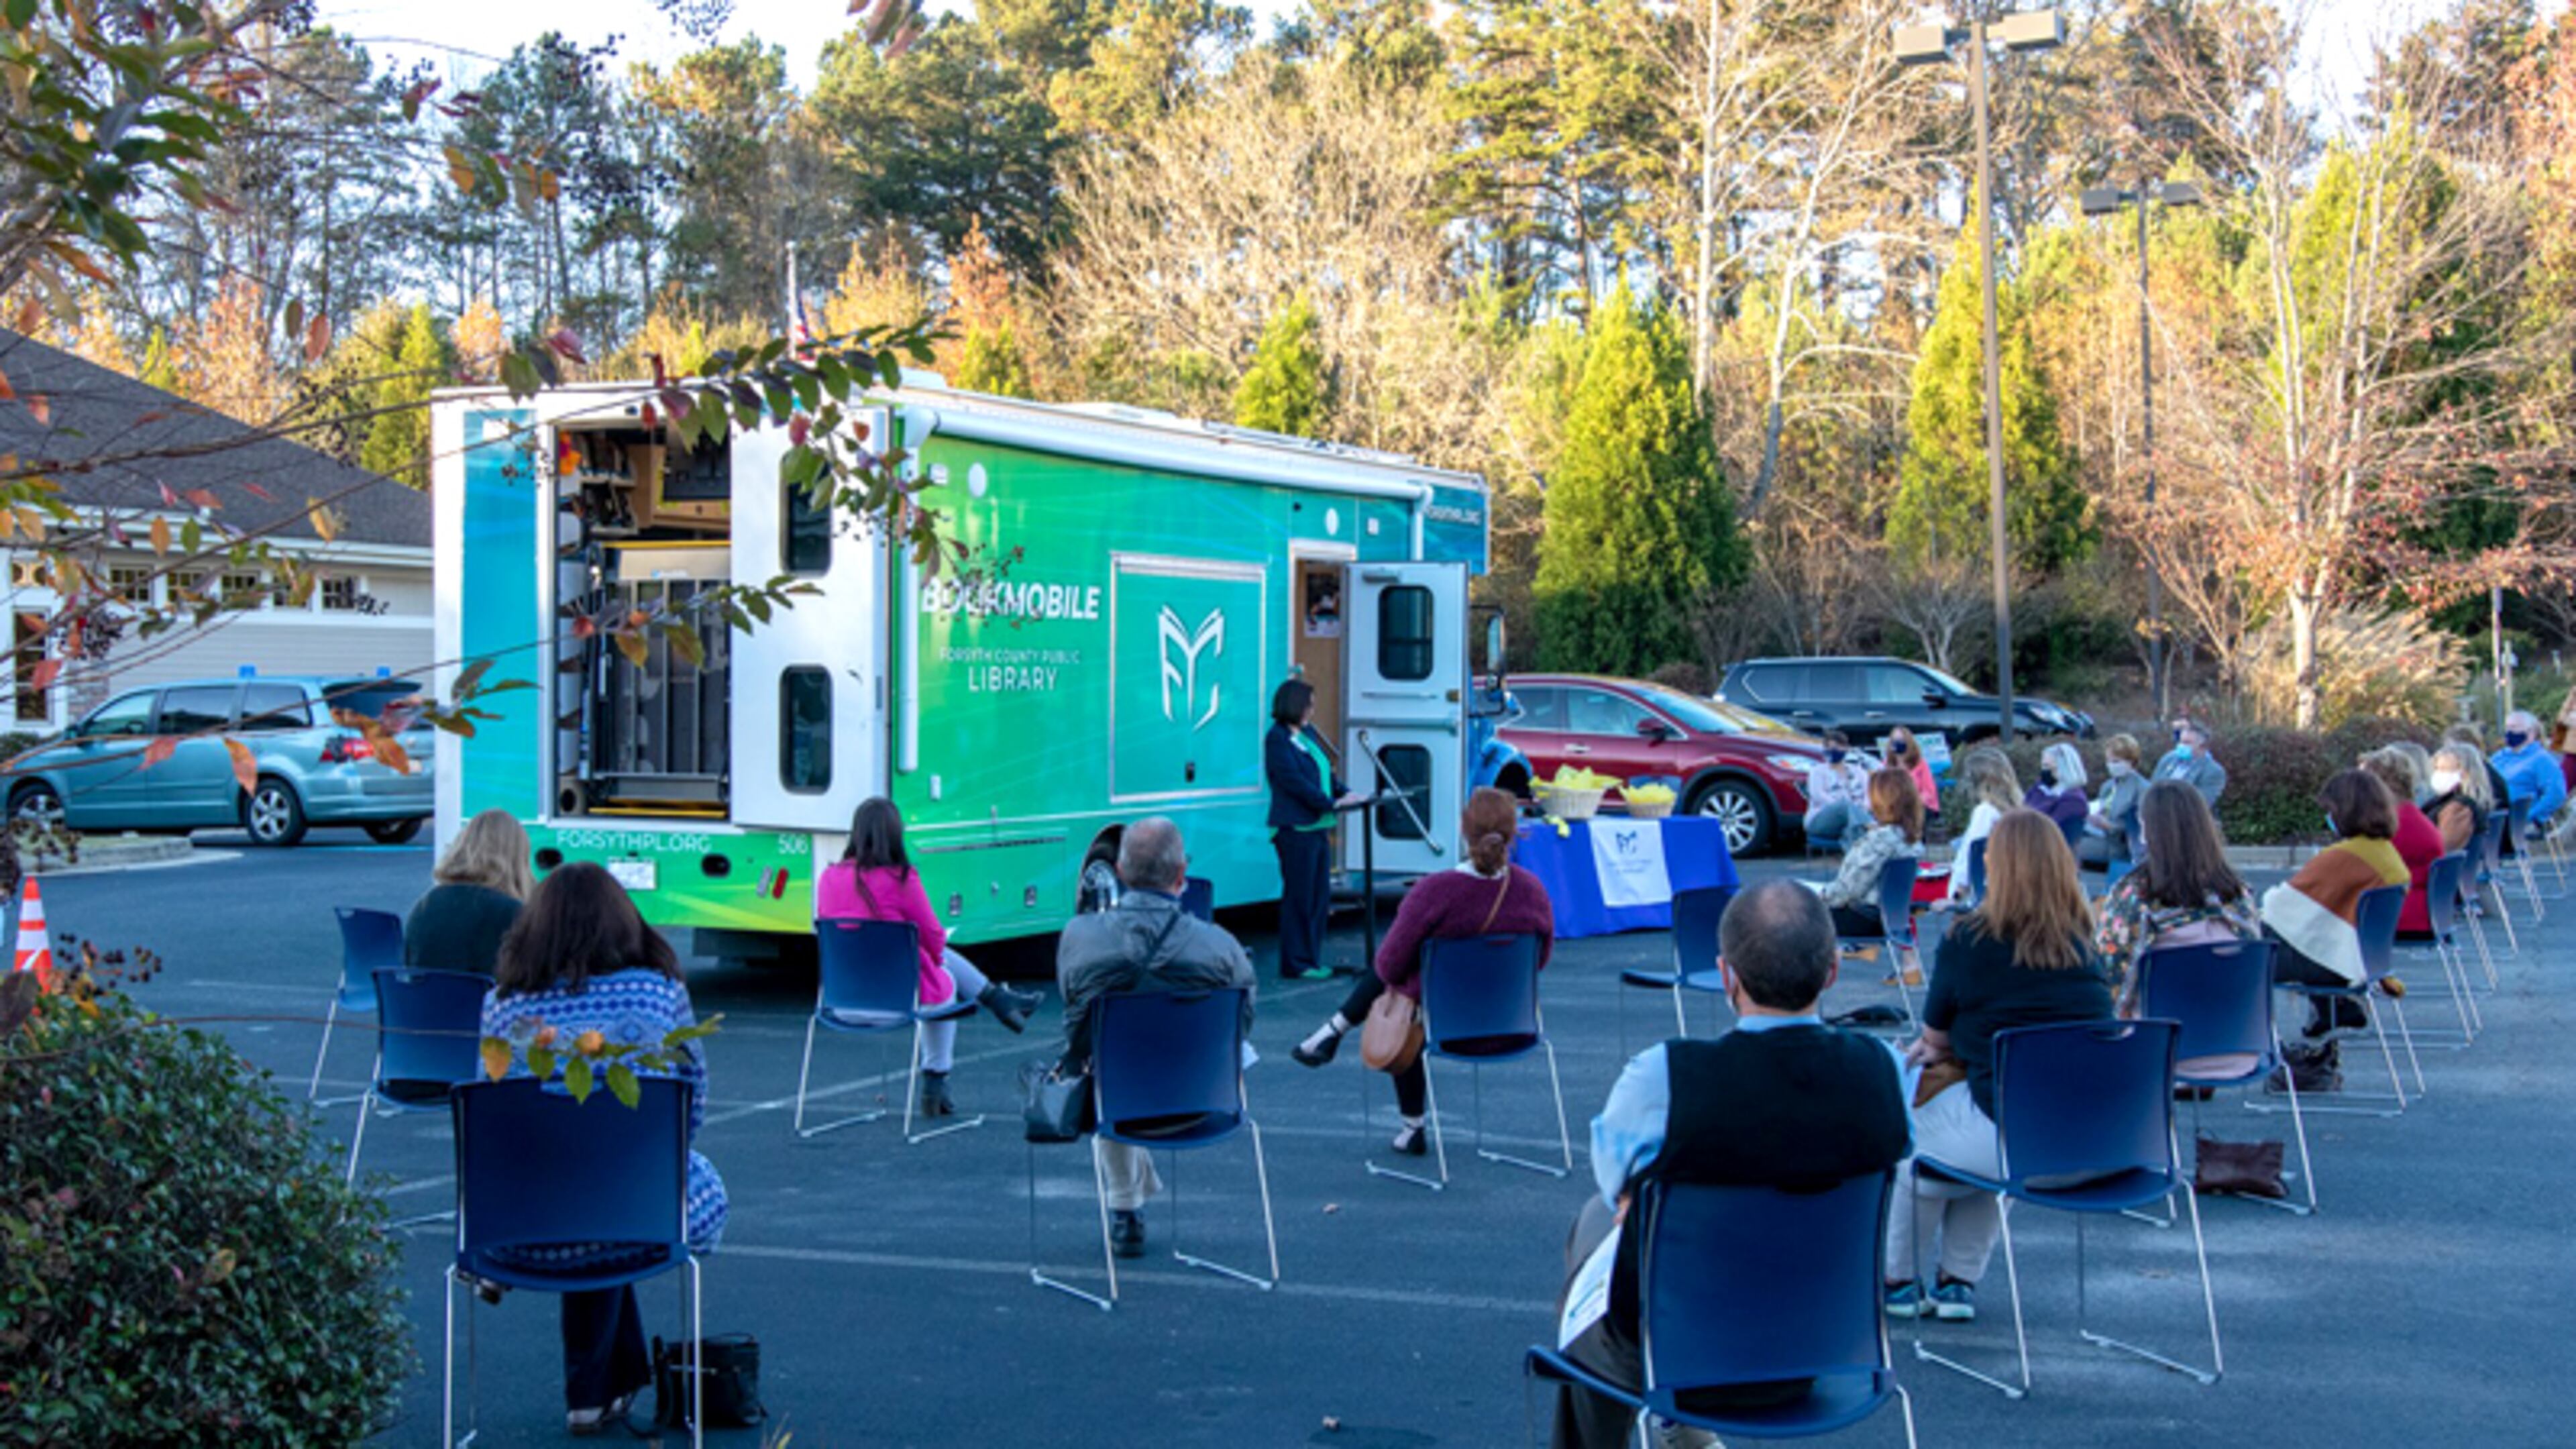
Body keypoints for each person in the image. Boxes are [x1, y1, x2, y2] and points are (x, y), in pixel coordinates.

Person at [1552, 881, 1910, 1449]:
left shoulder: (1665, 1077)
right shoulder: (1885, 1072)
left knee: (1596, 1234)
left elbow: (1614, 1179)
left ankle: (1652, 1429)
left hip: (1680, 1353)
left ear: (1727, 976)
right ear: (1833, 971)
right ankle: (1682, 1431)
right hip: (1826, 1350)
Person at [480, 862, 727, 1435]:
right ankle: (596, 1394)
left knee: (583, 1188)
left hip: (523, 1226)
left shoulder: (505, 1006)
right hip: (640, 1214)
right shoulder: (658, 991)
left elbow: (493, 1117)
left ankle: (597, 1392)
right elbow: (691, 1103)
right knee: (637, 1185)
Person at [1887, 810, 2112, 1323]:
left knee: (1905, 1140)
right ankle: (1957, 1282)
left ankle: (1899, 1281)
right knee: (1986, 1123)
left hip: (2010, 1133)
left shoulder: (1969, 939)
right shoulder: (2084, 942)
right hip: (2089, 1138)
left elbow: (1934, 1037)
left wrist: (1942, 1046)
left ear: (2000, 867)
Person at [1290, 787, 1554, 1155]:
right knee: (1409, 977)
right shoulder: (1533, 891)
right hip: (1513, 1025)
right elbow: (1539, 960)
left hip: (1444, 1028)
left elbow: (1389, 966)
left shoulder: (1434, 891)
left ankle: (1410, 1123)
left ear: (1462, 828)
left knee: (1400, 983)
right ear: (1514, 834)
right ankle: (1330, 1033)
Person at [1055, 818, 1256, 1259]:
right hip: (1205, 1100)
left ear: (1120, 872)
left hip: (1119, 1103)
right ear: (1182, 875)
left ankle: (1124, 1208)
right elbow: (1242, 1022)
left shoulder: (1080, 936)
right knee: (1124, 1063)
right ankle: (1127, 1201)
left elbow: (1075, 1023)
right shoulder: (1221, 946)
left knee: (1109, 1063)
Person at [816, 797, 1045, 1118]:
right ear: (895, 834)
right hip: (897, 1004)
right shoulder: (901, 879)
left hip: (842, 1003)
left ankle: (999, 999)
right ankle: (936, 1080)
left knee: (923, 958)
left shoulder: (829, 879)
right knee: (943, 979)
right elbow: (935, 942)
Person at [2259, 769, 2411, 1065]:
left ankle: (2252, 1047)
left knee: (2248, 951)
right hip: (2365, 961)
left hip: (2332, 964)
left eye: (2330, 810)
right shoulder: (2384, 853)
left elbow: (2281, 904)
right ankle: (2331, 1009)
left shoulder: (2345, 855)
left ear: (2345, 810)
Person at [2091, 781, 2260, 1010]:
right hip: (2236, 1027)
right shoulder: (2238, 895)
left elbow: (2110, 977)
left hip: (2159, 1028)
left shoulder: (2134, 896)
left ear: (2147, 830)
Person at [1267, 678, 1365, 981]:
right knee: (1300, 898)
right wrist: (1328, 803)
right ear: (1294, 705)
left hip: (1318, 827)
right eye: (1308, 705)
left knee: (1318, 898)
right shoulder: (1277, 739)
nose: (1312, 710)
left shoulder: (1307, 735)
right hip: (1296, 829)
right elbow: (1292, 781)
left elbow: (1324, 773)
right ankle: (1296, 962)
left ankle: (1311, 957)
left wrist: (1346, 793)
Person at [403, 808, 532, 976]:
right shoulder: (511, 913)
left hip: (426, 993)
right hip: (484, 993)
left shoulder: (425, 906)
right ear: (517, 858)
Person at [1814, 768, 1924, 938]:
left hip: (1861, 918)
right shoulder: (1912, 840)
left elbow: (1847, 892)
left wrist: (1815, 895)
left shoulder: (1878, 841)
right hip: (1894, 918)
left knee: (1792, 914)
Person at [2360, 748, 2445, 938]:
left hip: (2400, 914)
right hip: (2415, 910)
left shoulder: (2396, 825)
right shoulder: (2409, 816)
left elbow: (2361, 866)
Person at [1943, 748, 2021, 905]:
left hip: (1976, 899)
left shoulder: (1985, 813)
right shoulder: (2016, 811)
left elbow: (1971, 857)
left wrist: (1955, 897)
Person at [2489, 709, 2567, 840]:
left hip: (2516, 822)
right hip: (2492, 815)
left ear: (2531, 733)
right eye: (2507, 727)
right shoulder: (2499, 757)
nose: (2509, 732)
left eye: (2515, 728)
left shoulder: (2542, 760)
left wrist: (2532, 816)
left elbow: (2556, 794)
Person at [2082, 734, 2147, 871]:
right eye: (2108, 761)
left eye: (2116, 761)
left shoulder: (2142, 788)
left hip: (2124, 846)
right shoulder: (2108, 786)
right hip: (2103, 837)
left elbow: (2141, 826)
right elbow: (2102, 809)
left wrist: (2111, 826)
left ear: (2131, 761)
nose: (2111, 765)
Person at [1801, 731, 1873, 851]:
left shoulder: (1859, 771)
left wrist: (1862, 808)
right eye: (1828, 747)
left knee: (1852, 831)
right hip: (1821, 820)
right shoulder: (1817, 772)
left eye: (1837, 747)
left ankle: (1857, 860)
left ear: (1846, 748)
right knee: (1844, 805)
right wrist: (1849, 807)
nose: (1832, 750)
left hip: (1853, 819)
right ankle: (1869, 827)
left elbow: (1869, 794)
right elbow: (1818, 795)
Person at [2425, 745, 2489, 857]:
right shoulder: (2446, 800)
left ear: (2465, 773)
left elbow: (2445, 847)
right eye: (2437, 769)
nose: (2438, 774)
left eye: (2444, 770)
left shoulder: (2460, 808)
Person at [2153, 716, 2229, 810]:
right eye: (2181, 742)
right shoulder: (2168, 759)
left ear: (2202, 746)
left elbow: (2200, 804)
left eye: (2187, 743)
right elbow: (2152, 788)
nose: (2181, 746)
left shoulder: (2213, 771)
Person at [2023, 741, 2090, 841]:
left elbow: (2047, 827)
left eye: (2049, 767)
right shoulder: (2041, 788)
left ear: (2065, 769)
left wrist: (2049, 798)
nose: (2045, 771)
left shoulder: (2074, 800)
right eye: (2044, 766)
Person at [1884, 725, 1939, 823]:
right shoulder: (1886, 765)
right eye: (1895, 740)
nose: (1897, 743)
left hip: (1920, 807)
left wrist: (1912, 803)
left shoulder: (1921, 764)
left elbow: (1929, 793)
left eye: (1901, 740)